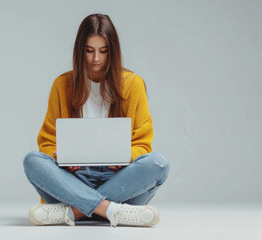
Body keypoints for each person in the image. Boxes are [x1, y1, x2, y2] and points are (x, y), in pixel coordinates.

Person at [23, 13, 170, 227]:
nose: (96, 59)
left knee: (159, 163)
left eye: (103, 51)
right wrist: (60, 158)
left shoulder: (133, 84)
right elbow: (46, 142)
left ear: (113, 51)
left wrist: (125, 157)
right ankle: (111, 211)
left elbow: (143, 143)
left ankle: (73, 213)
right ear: (80, 50)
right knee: (32, 161)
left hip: (119, 180)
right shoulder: (62, 85)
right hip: (73, 179)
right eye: (89, 51)